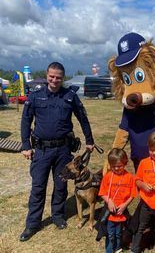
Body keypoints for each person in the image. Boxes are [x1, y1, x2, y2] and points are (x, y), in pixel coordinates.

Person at [20, 62, 94, 242]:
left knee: (60, 186)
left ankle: (58, 216)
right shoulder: (36, 96)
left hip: (63, 150)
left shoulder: (70, 96)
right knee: (38, 187)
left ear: (63, 77)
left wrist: (89, 140)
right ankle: (32, 224)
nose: (54, 80)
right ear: (47, 76)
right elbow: (25, 120)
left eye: (58, 77)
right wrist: (25, 145)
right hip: (41, 150)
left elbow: (82, 117)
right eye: (51, 76)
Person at [98, 148, 136, 253]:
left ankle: (118, 248)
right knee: (110, 234)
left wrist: (124, 205)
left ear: (125, 163)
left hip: (121, 212)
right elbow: (102, 192)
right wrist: (109, 200)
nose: (116, 168)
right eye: (113, 166)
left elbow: (132, 195)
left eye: (119, 166)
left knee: (119, 233)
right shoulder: (108, 177)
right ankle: (109, 250)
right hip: (110, 213)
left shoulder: (129, 177)